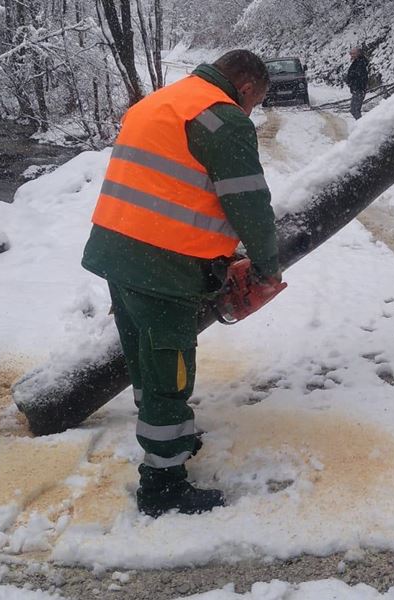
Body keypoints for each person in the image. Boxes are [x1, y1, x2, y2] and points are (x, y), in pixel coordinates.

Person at [81, 49, 281, 518]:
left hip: (118, 251)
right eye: (253, 103)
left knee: (143, 359)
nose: (248, 111)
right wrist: (267, 266)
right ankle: (162, 485)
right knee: (169, 374)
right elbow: (249, 203)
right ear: (247, 88)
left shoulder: (162, 101)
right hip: (163, 268)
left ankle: (167, 437)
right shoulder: (223, 119)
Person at [346, 47, 369, 120]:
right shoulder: (357, 62)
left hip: (359, 89)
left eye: (353, 53)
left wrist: (352, 82)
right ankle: (361, 126)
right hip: (357, 89)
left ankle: (363, 126)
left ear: (358, 53)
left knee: (355, 110)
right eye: (351, 53)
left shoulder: (361, 63)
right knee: (354, 110)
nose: (351, 55)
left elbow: (359, 76)